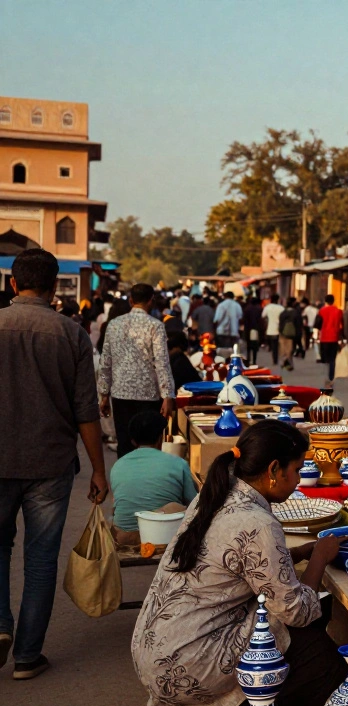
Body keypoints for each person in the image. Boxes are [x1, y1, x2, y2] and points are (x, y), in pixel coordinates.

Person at [132, 421, 348, 706]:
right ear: (273, 470)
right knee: (316, 651)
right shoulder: (257, 522)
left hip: (151, 652)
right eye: (297, 470)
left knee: (295, 616)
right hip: (187, 665)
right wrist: (319, 557)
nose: (299, 480)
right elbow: (295, 612)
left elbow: (232, 562)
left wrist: (296, 552)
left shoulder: (213, 495)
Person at [0, 248, 107, 681]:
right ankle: (27, 656)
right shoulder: (71, 333)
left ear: (12, 283)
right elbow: (86, 411)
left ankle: (0, 626)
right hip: (50, 462)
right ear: (52, 287)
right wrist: (99, 469)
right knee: (41, 558)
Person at [99, 283, 177, 457]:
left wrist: (103, 394)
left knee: (125, 445)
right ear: (151, 301)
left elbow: (106, 361)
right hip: (148, 396)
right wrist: (167, 395)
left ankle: (124, 481)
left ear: (131, 300)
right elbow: (162, 362)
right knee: (148, 446)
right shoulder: (155, 325)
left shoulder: (113, 324)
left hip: (120, 395)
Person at [108, 411, 198, 546]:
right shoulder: (178, 463)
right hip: (164, 536)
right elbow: (194, 503)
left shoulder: (118, 465)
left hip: (124, 536)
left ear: (132, 441)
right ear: (160, 438)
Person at [315, 294, 344, 384]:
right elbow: (342, 325)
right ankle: (331, 377)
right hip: (334, 337)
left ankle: (326, 377)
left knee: (325, 359)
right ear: (333, 300)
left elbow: (317, 324)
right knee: (332, 359)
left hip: (324, 337)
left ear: (325, 301)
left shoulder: (321, 311)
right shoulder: (338, 311)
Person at [278, 297, 301, 372]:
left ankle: (283, 361)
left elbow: (280, 323)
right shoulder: (296, 313)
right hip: (292, 333)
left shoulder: (283, 313)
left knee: (283, 348)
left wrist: (280, 331)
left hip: (283, 332)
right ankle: (289, 363)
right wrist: (299, 335)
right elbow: (298, 325)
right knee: (290, 349)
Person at [262, 293, 285, 366]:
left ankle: (274, 358)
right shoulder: (281, 308)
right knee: (277, 345)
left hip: (270, 329)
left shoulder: (267, 307)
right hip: (279, 329)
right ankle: (277, 359)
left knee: (272, 345)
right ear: (278, 300)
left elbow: (263, 316)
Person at [243, 292, 264, 365]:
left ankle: (248, 359)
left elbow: (244, 319)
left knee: (248, 346)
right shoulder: (259, 308)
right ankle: (254, 360)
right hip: (256, 329)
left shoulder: (247, 308)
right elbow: (261, 320)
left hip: (248, 329)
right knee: (255, 346)